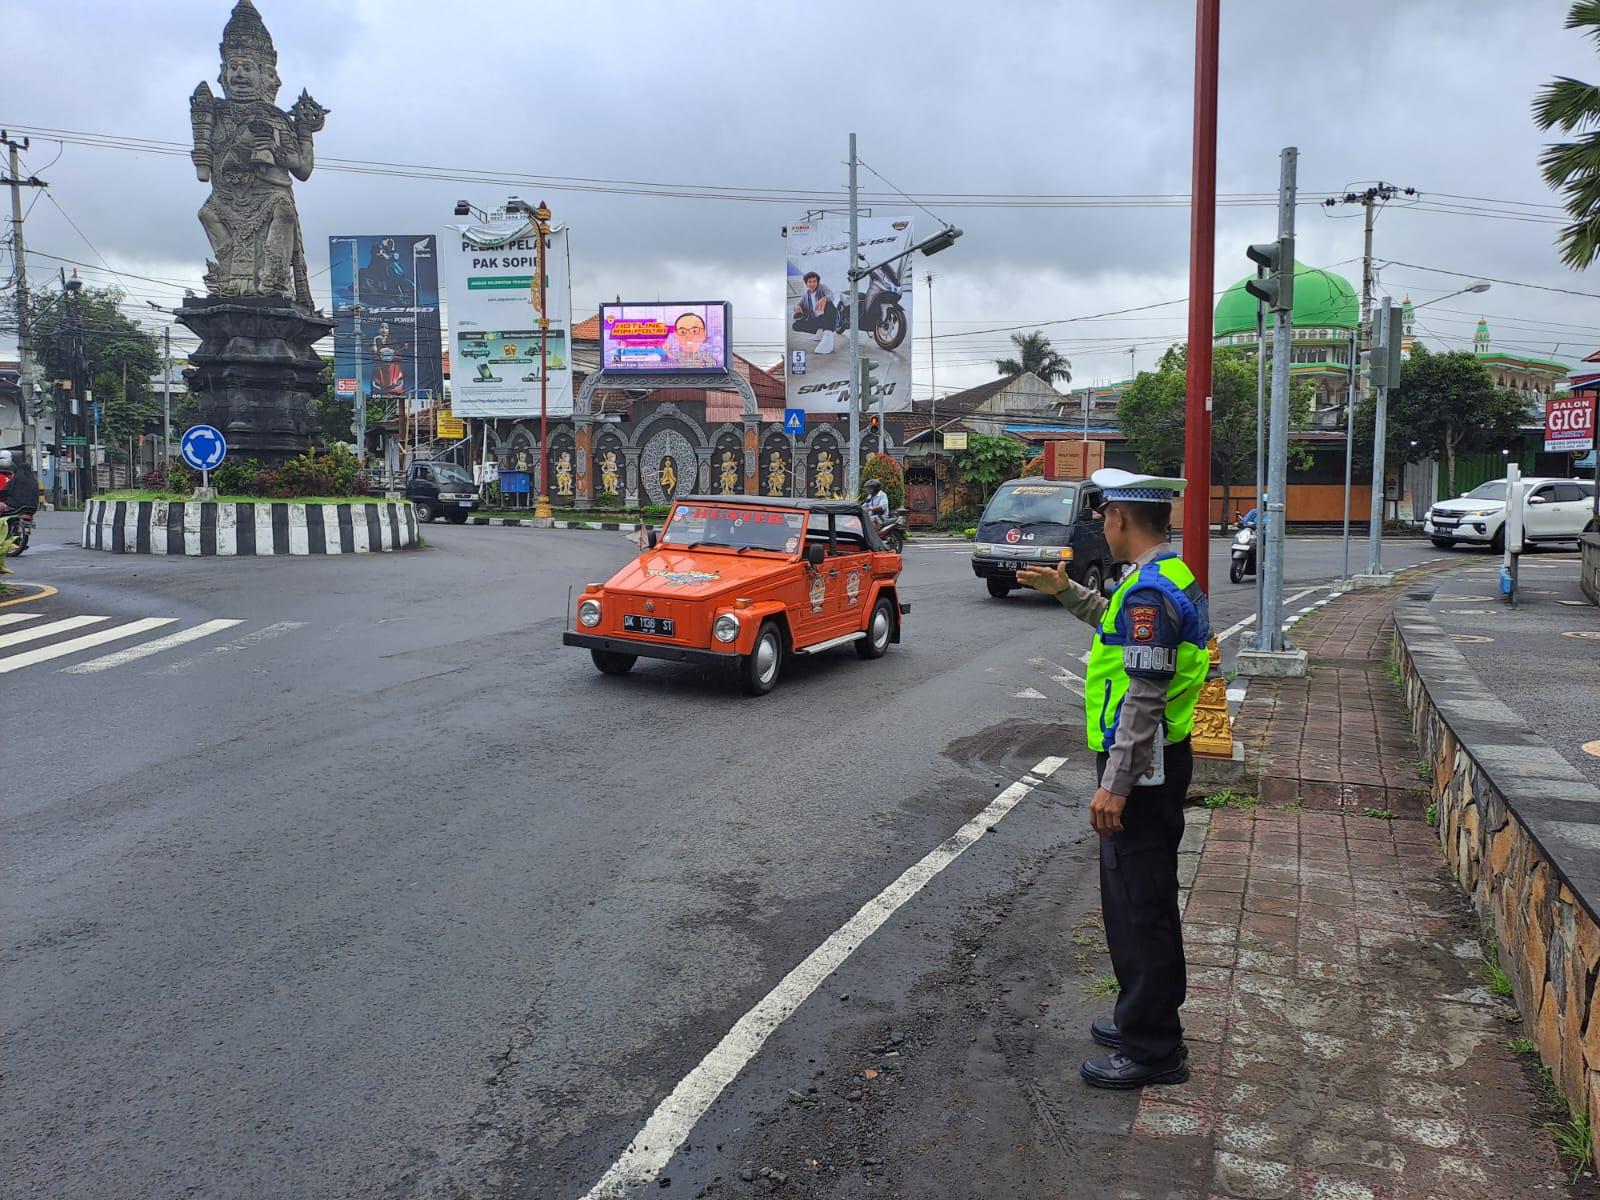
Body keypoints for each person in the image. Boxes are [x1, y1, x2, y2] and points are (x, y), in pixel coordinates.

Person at [1016, 468, 1210, 1091]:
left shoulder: (1151, 592)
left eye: (1104, 516)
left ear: (1122, 520)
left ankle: (1154, 1047)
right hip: (1149, 762)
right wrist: (1067, 590)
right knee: (1132, 898)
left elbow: (1146, 694)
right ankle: (1140, 1016)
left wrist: (1117, 782)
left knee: (1140, 905)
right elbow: (1118, 630)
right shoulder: (1158, 578)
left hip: (1143, 767)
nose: (1101, 523)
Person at [792, 272, 837, 354]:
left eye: (814, 281)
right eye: (810, 282)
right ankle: (820, 330)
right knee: (795, 325)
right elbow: (798, 305)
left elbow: (831, 295)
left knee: (829, 305)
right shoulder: (806, 295)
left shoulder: (822, 287)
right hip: (816, 319)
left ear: (817, 282)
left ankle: (827, 335)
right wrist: (797, 307)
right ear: (806, 283)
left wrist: (825, 298)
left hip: (828, 318)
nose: (812, 284)